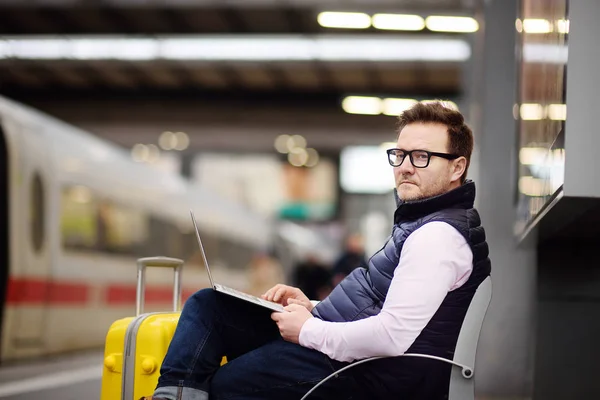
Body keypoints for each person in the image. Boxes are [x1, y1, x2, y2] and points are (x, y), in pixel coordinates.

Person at [141, 101, 491, 400]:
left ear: (456, 167)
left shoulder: (438, 237)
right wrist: (312, 306)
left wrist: (307, 330)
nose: (404, 166)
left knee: (225, 386)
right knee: (211, 306)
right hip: (345, 349)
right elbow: (380, 304)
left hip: (369, 374)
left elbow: (391, 336)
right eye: (399, 154)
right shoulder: (422, 222)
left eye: (422, 156)